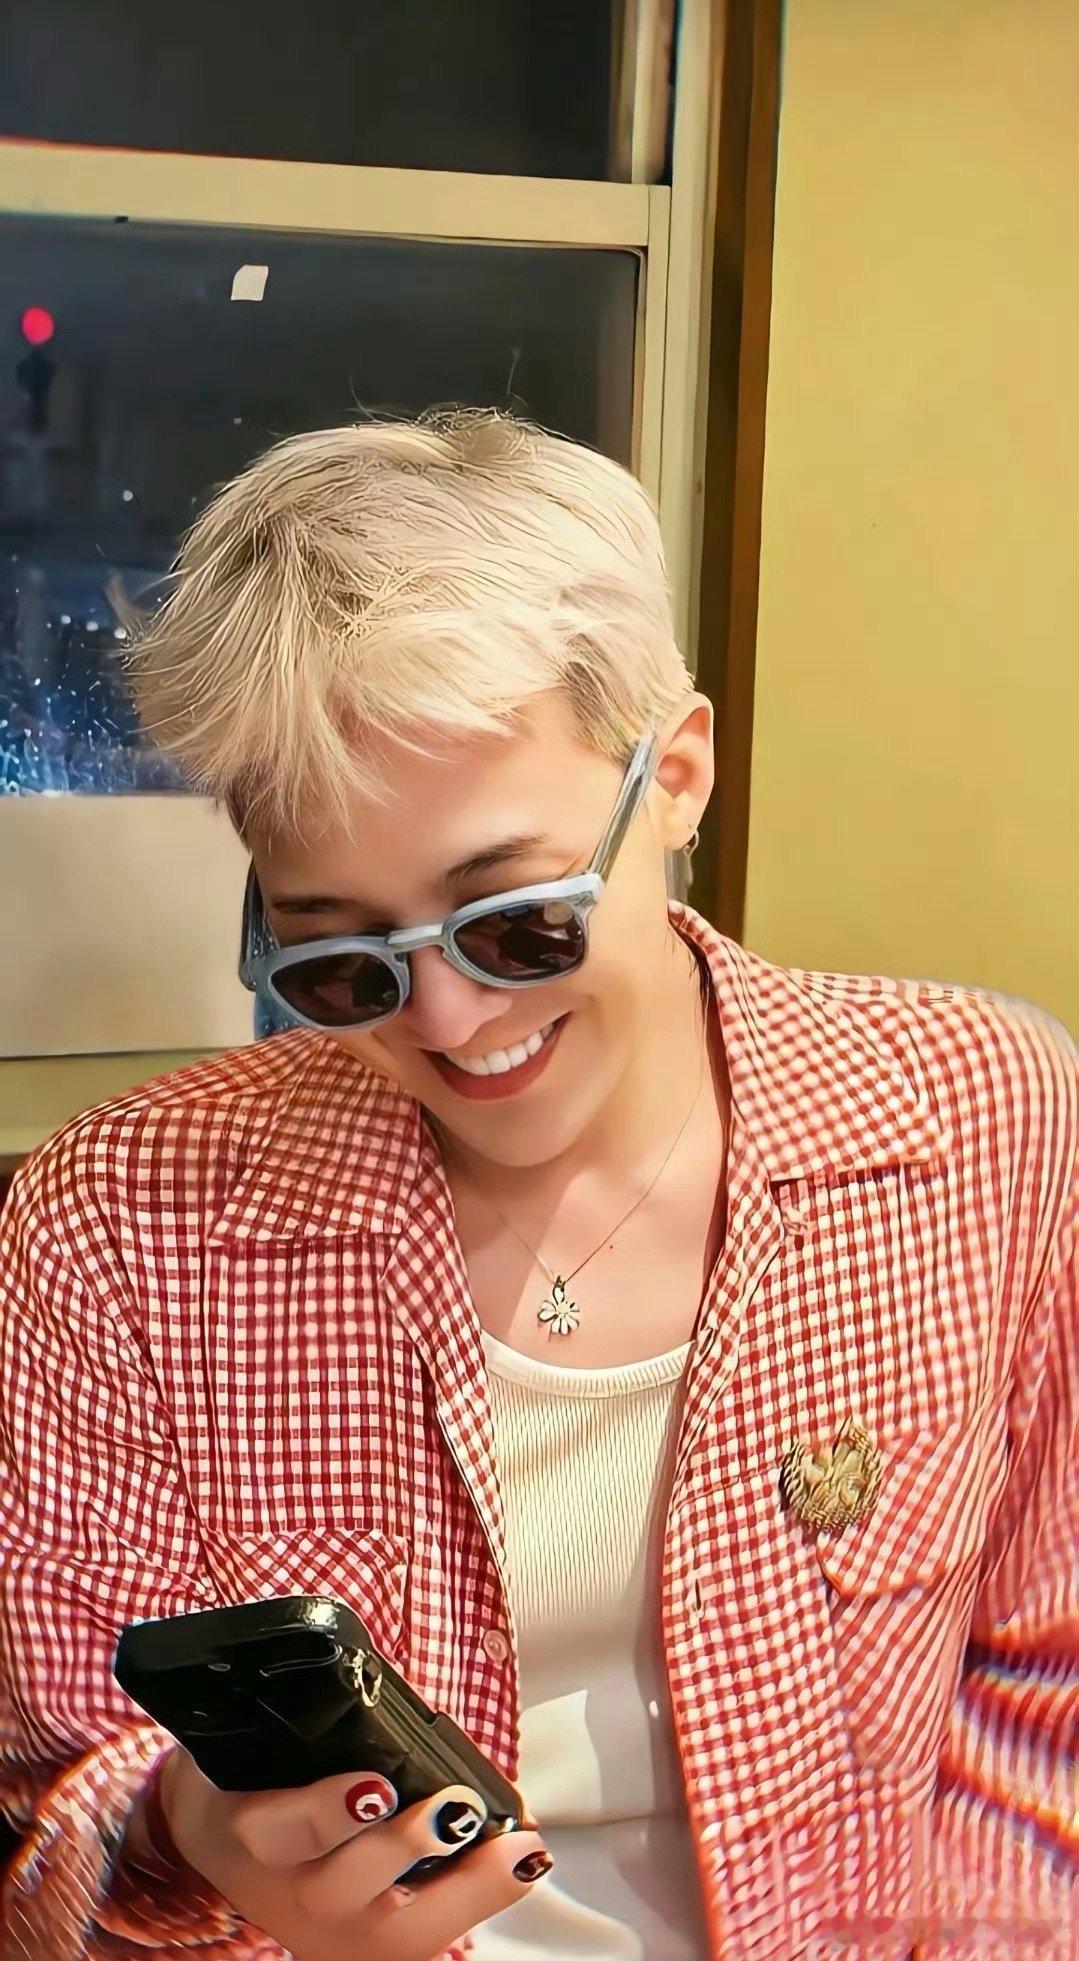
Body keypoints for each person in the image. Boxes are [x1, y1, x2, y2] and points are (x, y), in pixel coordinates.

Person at [0, 408, 1075, 1961]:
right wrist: (188, 1840)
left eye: (514, 920)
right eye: (343, 961)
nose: (449, 1021)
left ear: (678, 775)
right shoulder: (117, 1221)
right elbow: (49, 1800)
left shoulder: (976, 1120)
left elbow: (1044, 1703)